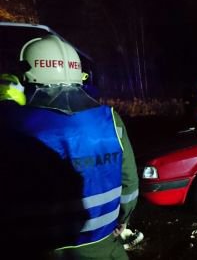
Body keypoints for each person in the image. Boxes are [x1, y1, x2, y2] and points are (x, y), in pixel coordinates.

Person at [0, 35, 139, 259]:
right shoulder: (110, 120)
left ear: (27, 77)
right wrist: (123, 220)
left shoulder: (12, 126)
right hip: (104, 247)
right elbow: (129, 184)